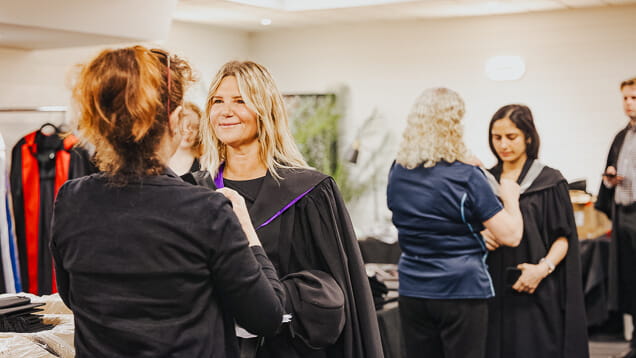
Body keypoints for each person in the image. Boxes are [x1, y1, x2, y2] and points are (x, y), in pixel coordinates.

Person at [49, 46, 286, 358]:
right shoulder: (206, 210)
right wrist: (250, 239)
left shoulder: (71, 199)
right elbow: (266, 317)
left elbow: (72, 296)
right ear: (175, 120)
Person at [190, 60, 383, 358]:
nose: (225, 111)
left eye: (240, 101)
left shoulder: (309, 192)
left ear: (265, 110)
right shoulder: (193, 191)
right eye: (217, 101)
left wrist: (272, 303)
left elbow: (333, 292)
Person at [386, 87, 523, 358]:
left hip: (413, 290)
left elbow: (421, 216)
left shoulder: (398, 170)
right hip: (460, 290)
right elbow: (511, 235)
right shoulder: (466, 176)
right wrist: (511, 198)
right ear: (453, 125)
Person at [484, 104, 589, 358]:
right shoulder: (484, 180)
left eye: (511, 137)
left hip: (538, 284)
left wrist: (542, 269)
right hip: (493, 286)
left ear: (528, 137)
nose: (503, 145)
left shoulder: (549, 181)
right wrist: (481, 235)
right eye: (497, 138)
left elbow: (563, 237)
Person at [596, 77, 636, 358]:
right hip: (624, 213)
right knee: (628, 279)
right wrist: (610, 180)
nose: (629, 103)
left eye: (634, 97)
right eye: (625, 98)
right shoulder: (622, 136)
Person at [168, 101, 203, 175]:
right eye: (184, 126)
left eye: (194, 127)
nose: (188, 132)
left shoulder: (204, 165)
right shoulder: (158, 164)